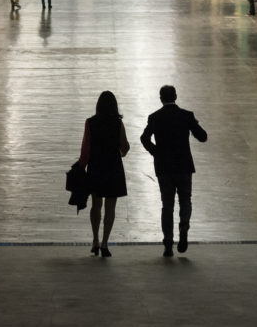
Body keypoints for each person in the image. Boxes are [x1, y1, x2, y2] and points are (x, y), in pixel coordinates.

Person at [140, 85, 207, 257]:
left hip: (164, 168)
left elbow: (144, 138)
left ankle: (168, 244)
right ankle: (184, 227)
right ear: (176, 96)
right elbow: (203, 137)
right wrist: (193, 126)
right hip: (184, 166)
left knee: (167, 205)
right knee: (185, 200)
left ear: (160, 98)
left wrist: (156, 153)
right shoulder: (186, 116)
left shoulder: (154, 117)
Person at [78, 91, 130, 257]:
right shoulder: (118, 123)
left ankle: (95, 240)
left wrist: (81, 168)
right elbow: (125, 147)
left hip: (96, 166)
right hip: (113, 166)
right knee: (110, 207)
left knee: (96, 205)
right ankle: (105, 243)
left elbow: (85, 148)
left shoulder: (90, 122)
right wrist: (119, 153)